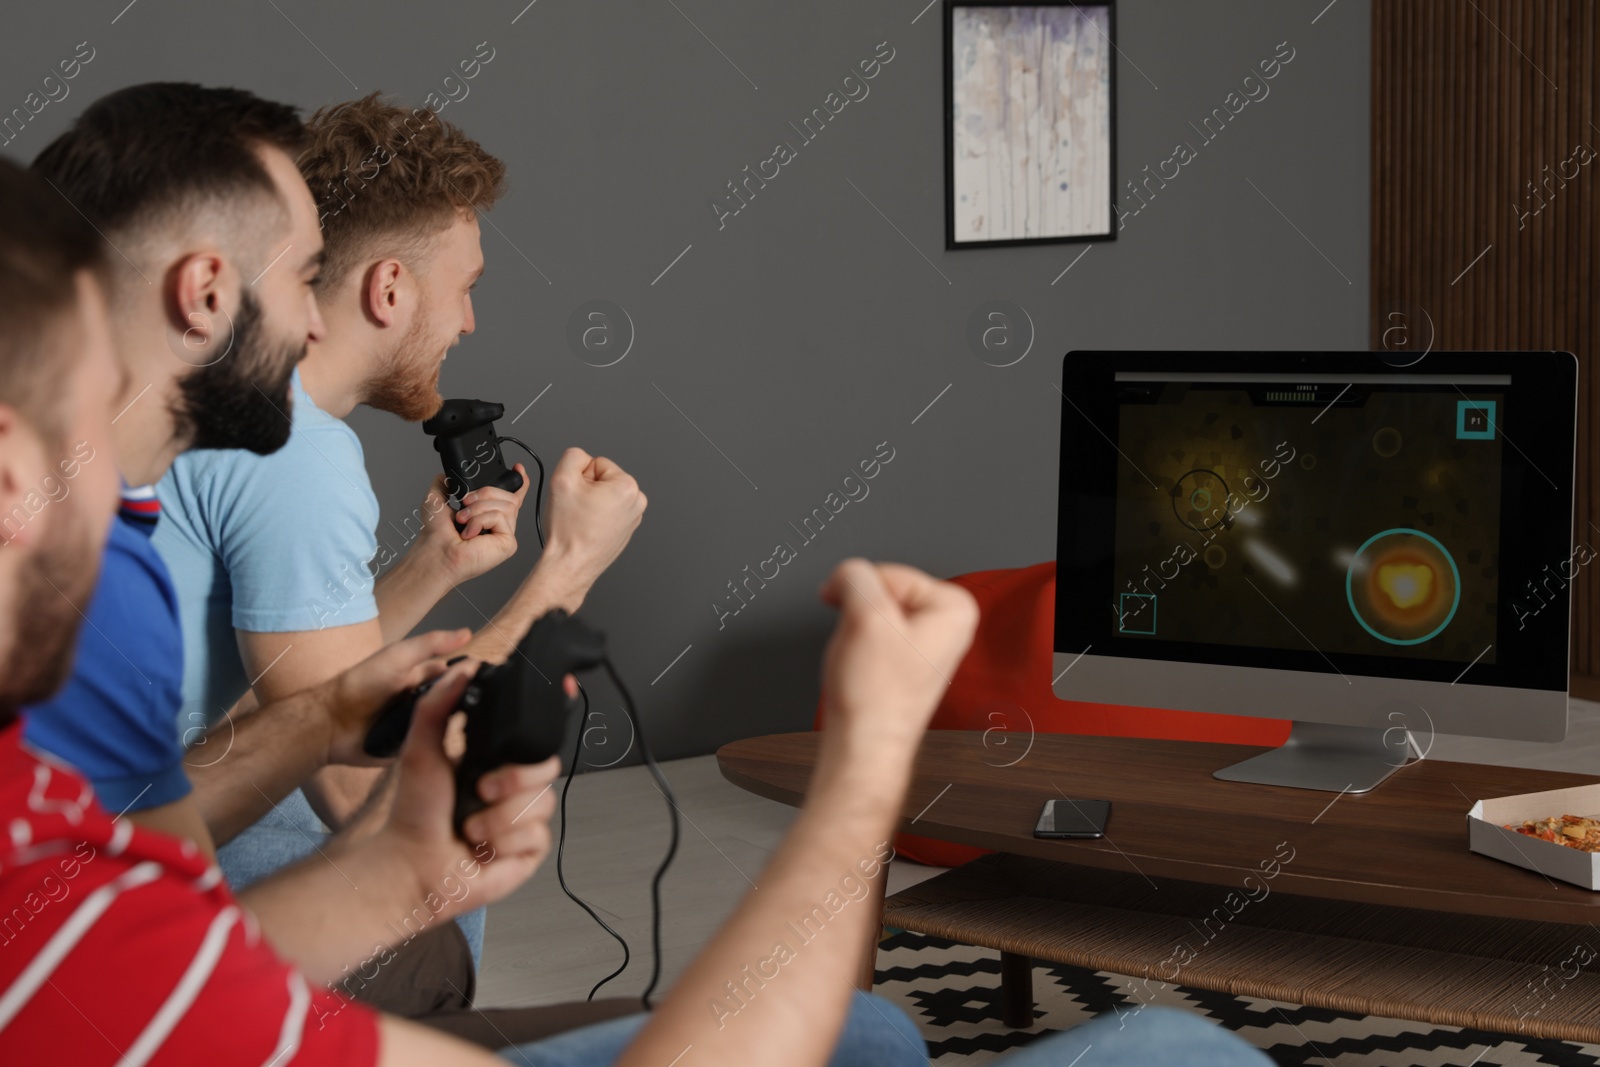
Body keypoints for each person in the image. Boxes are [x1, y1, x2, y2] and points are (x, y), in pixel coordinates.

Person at [0, 154, 1272, 1066]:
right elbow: (343, 804)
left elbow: (171, 900)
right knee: (1168, 1042)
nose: (149, 482)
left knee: (875, 1026)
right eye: (119, 420)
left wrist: (402, 836)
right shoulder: (293, 457)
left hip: (253, 947)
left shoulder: (47, 832)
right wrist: (868, 764)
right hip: (281, 932)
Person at [151, 94, 646, 955]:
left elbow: (313, 699)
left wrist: (435, 566)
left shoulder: (229, 393)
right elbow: (358, 794)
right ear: (389, 288)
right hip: (88, 868)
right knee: (444, 877)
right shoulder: (297, 449)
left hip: (105, 808)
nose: (468, 322)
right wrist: (567, 566)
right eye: (466, 289)